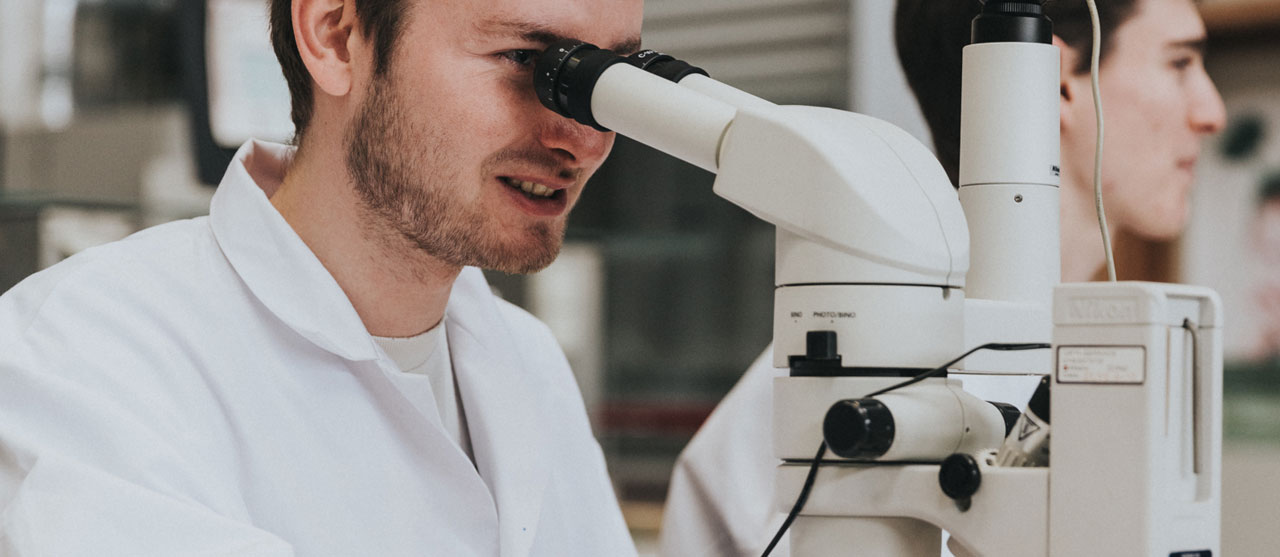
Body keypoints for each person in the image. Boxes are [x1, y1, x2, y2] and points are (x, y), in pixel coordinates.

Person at [0, 0, 642, 554]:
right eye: (527, 59)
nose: (582, 139)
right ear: (336, 35)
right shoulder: (78, 359)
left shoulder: (530, 361)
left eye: (609, 83)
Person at [658, 0, 1226, 555]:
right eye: (1179, 63)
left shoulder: (1102, 360)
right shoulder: (826, 388)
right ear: (1049, 82)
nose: (1212, 112)